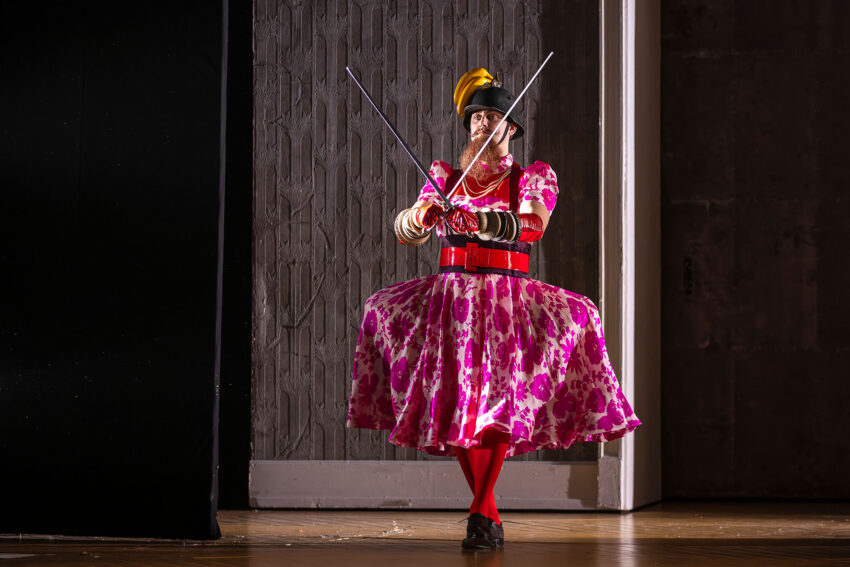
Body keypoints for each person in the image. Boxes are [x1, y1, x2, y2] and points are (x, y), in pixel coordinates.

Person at [347, 69, 641, 550]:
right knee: (455, 401)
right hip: (450, 301)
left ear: (511, 129)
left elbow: (532, 225)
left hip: (506, 302)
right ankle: (487, 514)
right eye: (476, 117)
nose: (483, 124)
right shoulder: (444, 176)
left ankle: (481, 513)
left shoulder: (532, 176)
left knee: (498, 405)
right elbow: (406, 228)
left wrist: (479, 219)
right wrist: (420, 216)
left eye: (493, 117)